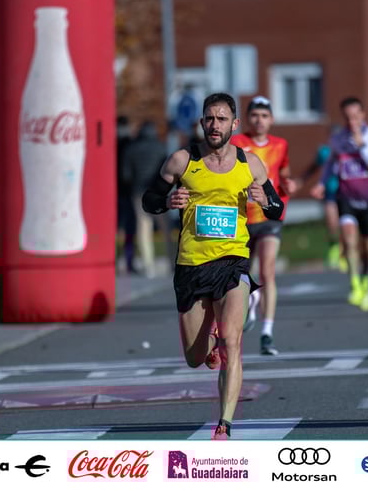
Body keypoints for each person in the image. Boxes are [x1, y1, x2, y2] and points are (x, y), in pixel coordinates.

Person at [141, 92, 283, 440]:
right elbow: (149, 200)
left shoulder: (249, 164)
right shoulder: (181, 161)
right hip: (191, 265)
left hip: (233, 261)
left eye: (221, 119)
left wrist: (266, 201)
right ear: (202, 123)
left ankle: (225, 424)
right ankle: (211, 344)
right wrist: (168, 201)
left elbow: (277, 208)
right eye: (209, 119)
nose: (214, 125)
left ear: (235, 124)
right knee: (195, 357)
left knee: (232, 342)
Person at [230, 96, 295, 355]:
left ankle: (267, 333)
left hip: (268, 217)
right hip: (241, 218)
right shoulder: (236, 143)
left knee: (268, 271)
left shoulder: (281, 145)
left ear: (272, 120)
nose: (260, 120)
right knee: (242, 273)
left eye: (265, 115)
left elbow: (284, 174)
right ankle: (251, 298)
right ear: (248, 119)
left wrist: (289, 186)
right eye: (255, 115)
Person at [311, 97, 368, 312]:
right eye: (348, 117)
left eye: (355, 116)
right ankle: (354, 284)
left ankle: (366, 283)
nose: (352, 121)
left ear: (363, 115)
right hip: (346, 197)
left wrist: (362, 146)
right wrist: (322, 184)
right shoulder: (338, 139)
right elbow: (331, 164)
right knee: (349, 241)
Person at [122, 120, 175, 277]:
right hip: (158, 191)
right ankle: (172, 261)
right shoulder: (160, 147)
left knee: (143, 227)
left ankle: (148, 264)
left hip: (139, 192)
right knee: (166, 228)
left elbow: (126, 174)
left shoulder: (131, 148)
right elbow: (168, 170)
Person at [297, 126, 348, 272]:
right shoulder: (325, 152)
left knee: (345, 225)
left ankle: (343, 254)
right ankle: (334, 246)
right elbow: (313, 167)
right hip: (329, 192)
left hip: (346, 193)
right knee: (332, 223)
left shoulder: (347, 151)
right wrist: (301, 180)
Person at [116, 116, 137, 274]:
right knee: (129, 228)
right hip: (129, 191)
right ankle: (128, 260)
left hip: (115, 191)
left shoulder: (112, 144)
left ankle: (119, 258)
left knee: (119, 227)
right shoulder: (131, 144)